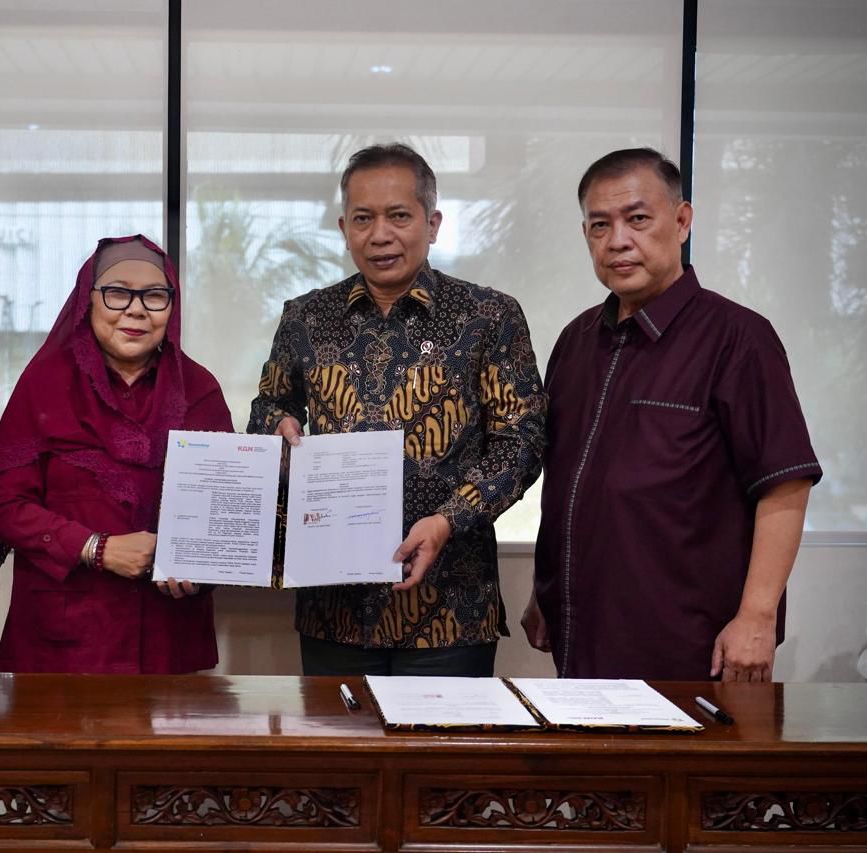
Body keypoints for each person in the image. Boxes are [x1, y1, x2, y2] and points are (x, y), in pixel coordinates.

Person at [248, 143, 546, 677]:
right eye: (363, 218)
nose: (379, 234)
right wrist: (278, 427)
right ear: (344, 228)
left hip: (451, 607)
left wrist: (449, 520)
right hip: (332, 607)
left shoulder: (488, 317)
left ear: (432, 223)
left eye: (399, 216)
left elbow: (521, 443)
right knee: (340, 761)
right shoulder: (305, 318)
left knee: (438, 762)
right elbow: (269, 406)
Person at [525, 147, 820, 682]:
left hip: (688, 643)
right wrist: (546, 589)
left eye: (638, 219)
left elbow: (784, 484)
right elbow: (568, 481)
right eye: (599, 225)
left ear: (681, 221)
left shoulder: (738, 339)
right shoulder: (576, 340)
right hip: (582, 633)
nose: (618, 240)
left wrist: (756, 616)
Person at [0, 235, 233, 673]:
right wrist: (96, 548)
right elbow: (2, 504)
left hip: (167, 639)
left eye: (155, 296)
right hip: (65, 644)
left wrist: (201, 568)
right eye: (117, 293)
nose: (135, 309)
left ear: (171, 308)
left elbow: (228, 513)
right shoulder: (44, 384)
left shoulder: (199, 389)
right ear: (88, 300)